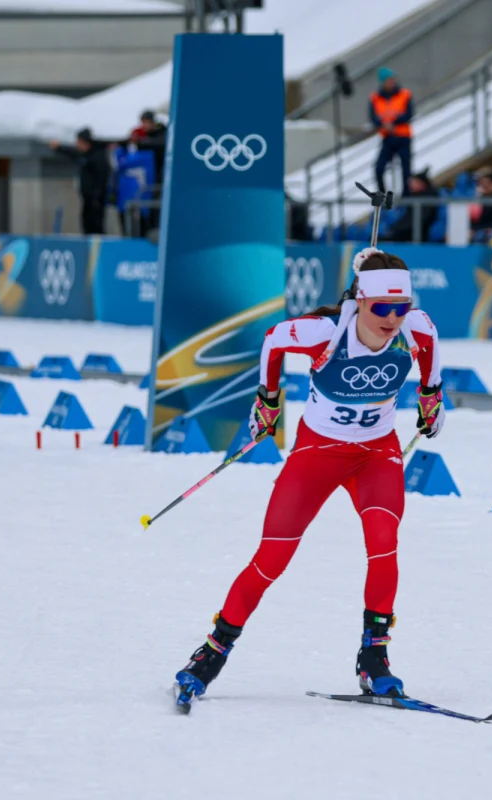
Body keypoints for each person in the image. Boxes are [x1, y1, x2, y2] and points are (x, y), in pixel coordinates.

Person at [175, 248, 446, 702]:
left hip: (376, 454)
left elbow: (432, 348)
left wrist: (431, 395)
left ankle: (374, 659)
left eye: (401, 307)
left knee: (384, 542)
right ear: (360, 300)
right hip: (317, 453)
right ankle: (211, 653)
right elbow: (273, 339)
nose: (393, 319)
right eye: (382, 308)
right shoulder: (326, 331)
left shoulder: (416, 328)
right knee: (271, 559)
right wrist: (267, 399)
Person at [49, 128, 111, 235]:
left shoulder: (97, 156)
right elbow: (72, 153)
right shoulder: (84, 155)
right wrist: (58, 148)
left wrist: (97, 195)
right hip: (86, 197)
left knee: (96, 224)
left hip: (96, 199)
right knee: (86, 223)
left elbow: (102, 177)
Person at [370, 67, 414, 194]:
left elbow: (409, 113)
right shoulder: (375, 97)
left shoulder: (405, 94)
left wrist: (394, 122)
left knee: (406, 170)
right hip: (387, 138)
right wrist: (384, 124)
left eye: (392, 79)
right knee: (379, 168)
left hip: (403, 137)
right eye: (388, 80)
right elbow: (373, 118)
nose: (391, 82)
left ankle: (407, 198)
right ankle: (383, 196)